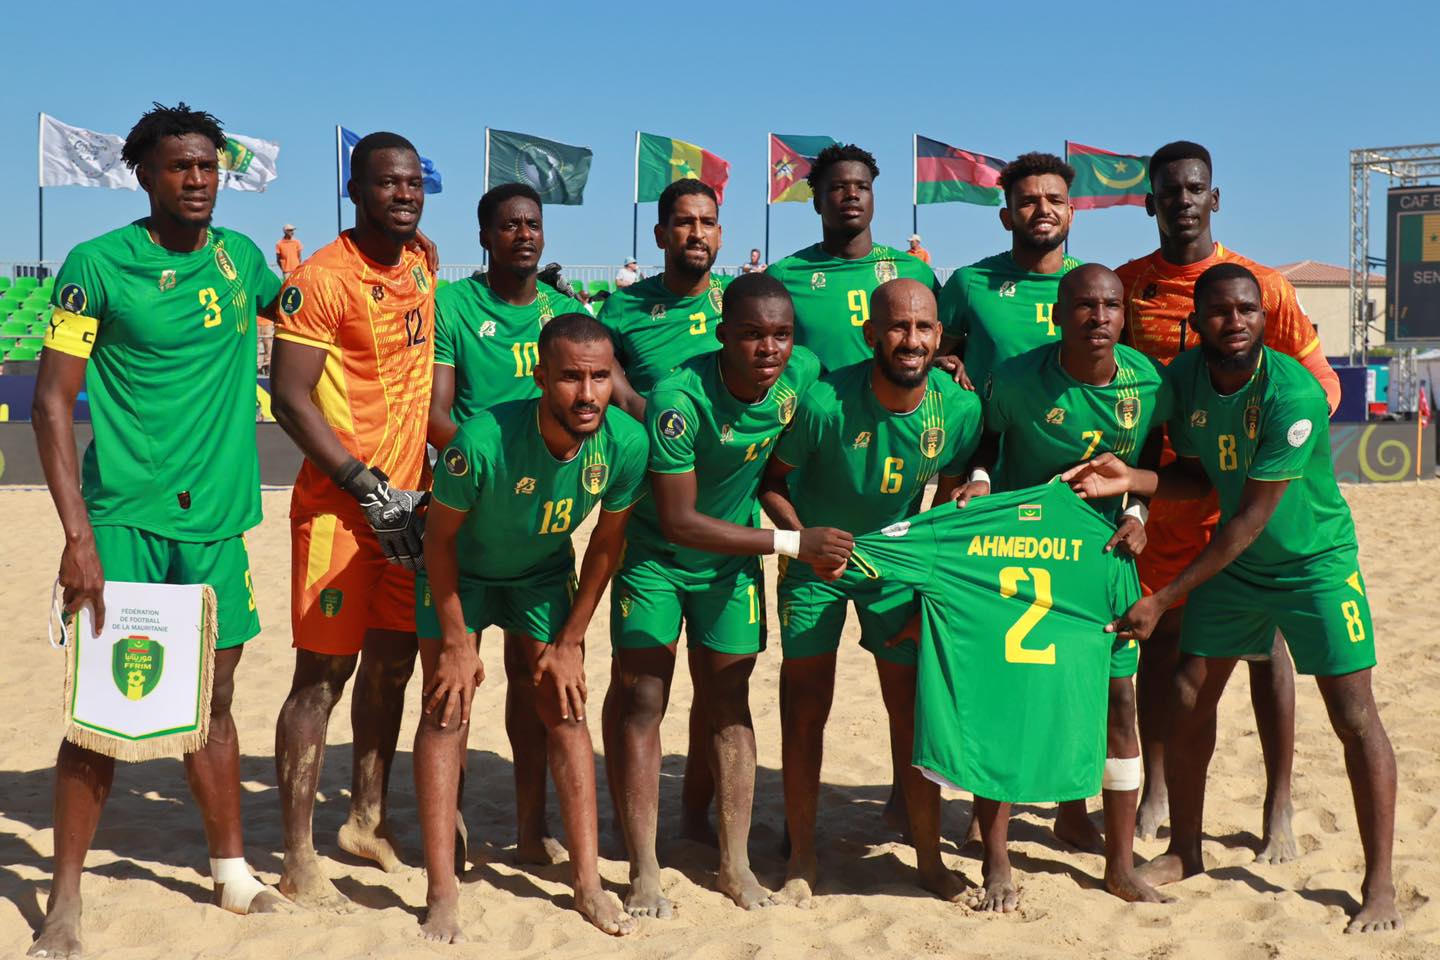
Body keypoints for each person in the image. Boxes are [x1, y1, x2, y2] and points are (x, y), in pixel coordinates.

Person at [1063, 262, 1400, 934]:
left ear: (1263, 317)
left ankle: (1381, 885)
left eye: (1247, 310)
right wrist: (1134, 478)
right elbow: (1193, 475)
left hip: (1312, 563)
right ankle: (1186, 851)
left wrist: (1162, 599)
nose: (1236, 321)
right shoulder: (1184, 380)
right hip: (1239, 568)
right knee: (1188, 694)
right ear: (1198, 323)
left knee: (1353, 714)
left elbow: (1246, 519)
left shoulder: (1293, 394)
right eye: (1220, 311)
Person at [30, 102, 287, 959]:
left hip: (217, 526)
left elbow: (309, 305)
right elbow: (52, 402)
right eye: (180, 166)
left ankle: (230, 869)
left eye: (209, 166)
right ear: (142, 173)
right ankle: (65, 898)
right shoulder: (95, 264)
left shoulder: (241, 259)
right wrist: (77, 536)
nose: (198, 179)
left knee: (214, 702)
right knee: (101, 711)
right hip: (124, 518)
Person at [1115, 140, 1341, 849]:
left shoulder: (1259, 288)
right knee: (1164, 643)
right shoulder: (1127, 285)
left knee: (1264, 648)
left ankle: (1278, 803)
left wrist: (1269, 457)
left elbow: (1322, 384)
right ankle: (1157, 788)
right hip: (1169, 489)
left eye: (1195, 189)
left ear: (1215, 199)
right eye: (1169, 190)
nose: (1183, 200)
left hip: (1247, 493)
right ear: (1150, 202)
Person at [605, 272, 848, 916]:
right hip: (657, 557)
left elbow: (856, 386)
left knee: (729, 703)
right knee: (643, 699)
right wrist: (795, 544)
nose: (769, 349)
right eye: (751, 335)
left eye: (781, 335)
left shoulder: (802, 374)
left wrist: (951, 367)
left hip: (730, 566)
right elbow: (680, 519)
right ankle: (646, 869)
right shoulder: (678, 398)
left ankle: (734, 862)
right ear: (722, 336)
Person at [416, 312, 643, 940]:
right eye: (571, 377)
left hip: (541, 575)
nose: (588, 392)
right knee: (444, 707)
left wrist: (571, 641)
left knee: (566, 710)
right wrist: (458, 642)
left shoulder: (624, 442)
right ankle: (441, 893)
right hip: (461, 573)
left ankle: (589, 885)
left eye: (600, 377)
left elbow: (606, 545)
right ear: (541, 375)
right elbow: (437, 543)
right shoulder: (480, 441)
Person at [757, 278, 980, 907]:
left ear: (941, 336)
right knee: (805, 710)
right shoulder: (825, 402)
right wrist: (803, 540)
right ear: (870, 334)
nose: (912, 340)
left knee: (911, 712)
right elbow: (772, 484)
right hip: (814, 560)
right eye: (899, 327)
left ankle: (929, 859)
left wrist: (926, 567)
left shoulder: (957, 409)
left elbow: (953, 494)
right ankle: (802, 856)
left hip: (899, 566)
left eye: (925, 328)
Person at [960, 264, 1172, 907]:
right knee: (1009, 704)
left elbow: (1155, 460)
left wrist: (1137, 514)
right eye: (1083, 305)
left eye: (1110, 305)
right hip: (1023, 557)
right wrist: (978, 480)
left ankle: (1117, 864)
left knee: (1118, 703)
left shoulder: (1146, 378)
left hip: (1104, 561)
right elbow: (985, 445)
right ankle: (997, 861)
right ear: (1059, 316)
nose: (1099, 316)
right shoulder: (1019, 377)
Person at [270, 131, 434, 907]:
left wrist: (404, 493)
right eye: (386, 184)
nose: (403, 195)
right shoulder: (320, 279)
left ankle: (366, 820)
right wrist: (365, 484)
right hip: (342, 513)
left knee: (393, 665)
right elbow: (290, 398)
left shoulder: (423, 263)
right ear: (356, 190)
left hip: (409, 515)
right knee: (322, 677)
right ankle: (298, 856)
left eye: (412, 184)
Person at [427, 182, 586, 865]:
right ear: (485, 237)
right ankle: (451, 826)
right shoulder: (454, 305)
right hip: (469, 510)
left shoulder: (564, 310)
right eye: (510, 225)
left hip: (541, 527)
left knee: (535, 680)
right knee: (451, 683)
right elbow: (435, 414)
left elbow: (599, 393)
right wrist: (485, 469)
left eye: (534, 224)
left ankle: (530, 825)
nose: (524, 234)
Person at [597, 178, 731, 842]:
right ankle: (632, 822)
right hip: (648, 525)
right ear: (660, 236)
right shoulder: (624, 308)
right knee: (640, 688)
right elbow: (595, 365)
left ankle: (695, 816)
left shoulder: (741, 307)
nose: (696, 233)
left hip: (727, 527)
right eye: (683, 223)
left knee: (718, 693)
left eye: (707, 222)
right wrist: (632, 402)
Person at [768, 144, 939, 373]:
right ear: (818, 202)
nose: (852, 195)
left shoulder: (915, 272)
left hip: (894, 409)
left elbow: (944, 344)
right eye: (839, 187)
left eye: (862, 187)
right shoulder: (784, 276)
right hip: (817, 408)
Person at [937, 152, 1081, 393]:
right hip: (993, 431)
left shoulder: (1089, 284)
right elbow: (929, 357)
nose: (1044, 210)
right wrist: (938, 364)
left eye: (1055, 200)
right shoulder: (969, 282)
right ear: (1007, 219)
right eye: (1028, 202)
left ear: (1070, 214)